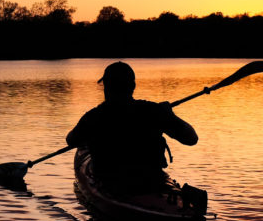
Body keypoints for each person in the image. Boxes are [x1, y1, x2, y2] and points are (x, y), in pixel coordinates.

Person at [66, 62, 198, 194]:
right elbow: (191, 139)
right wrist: (170, 116)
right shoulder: (153, 111)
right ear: (133, 86)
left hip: (112, 182)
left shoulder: (93, 117)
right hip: (150, 180)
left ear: (106, 87)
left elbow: (71, 140)